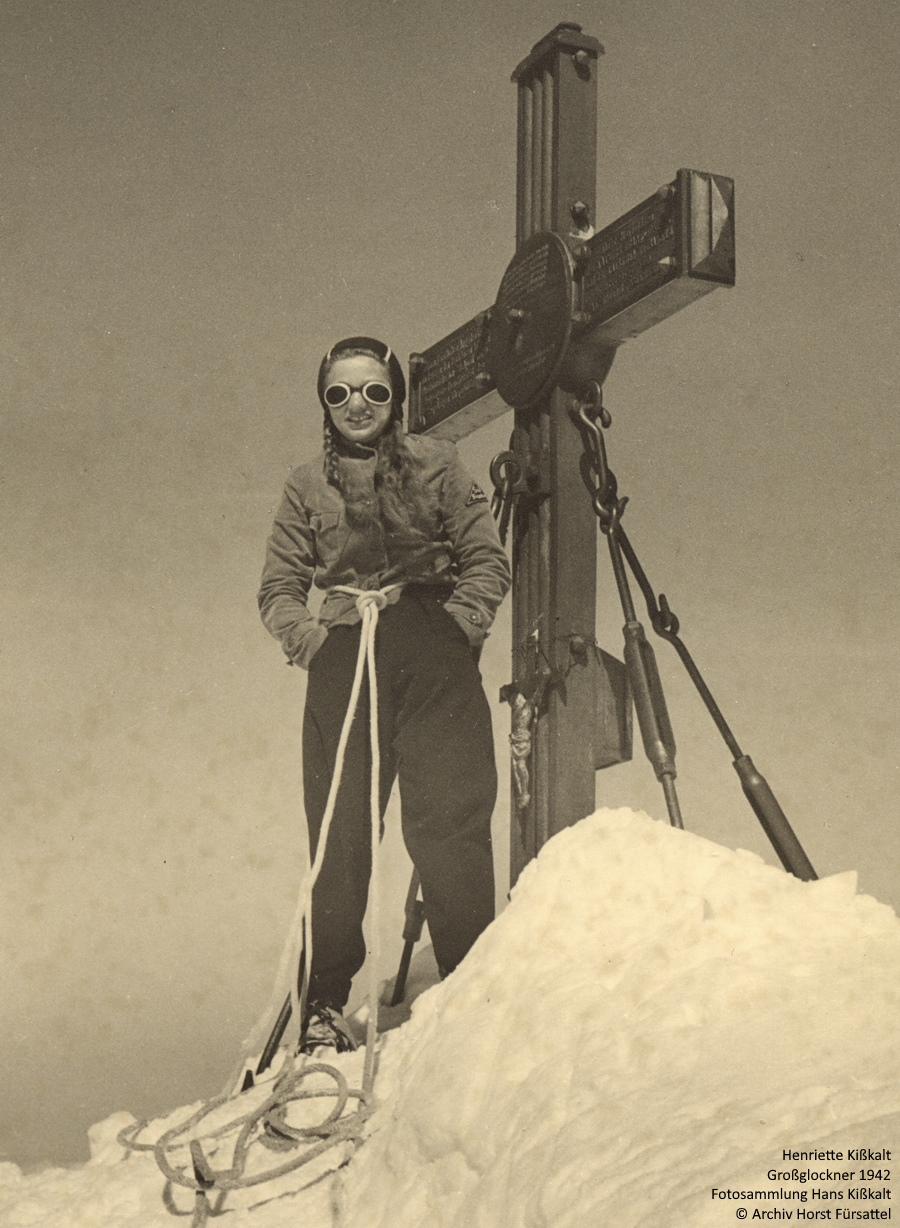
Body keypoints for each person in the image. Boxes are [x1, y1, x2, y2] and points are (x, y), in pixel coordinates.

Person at [258, 336, 511, 1052]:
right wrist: (311, 642)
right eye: (340, 393)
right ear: (324, 404)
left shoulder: (437, 465)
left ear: (394, 396)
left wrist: (455, 631)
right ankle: (324, 1005)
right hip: (347, 656)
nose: (357, 406)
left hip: (432, 649)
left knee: (449, 818)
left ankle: (469, 983)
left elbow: (485, 559)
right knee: (338, 832)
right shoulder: (307, 485)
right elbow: (278, 587)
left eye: (372, 390)